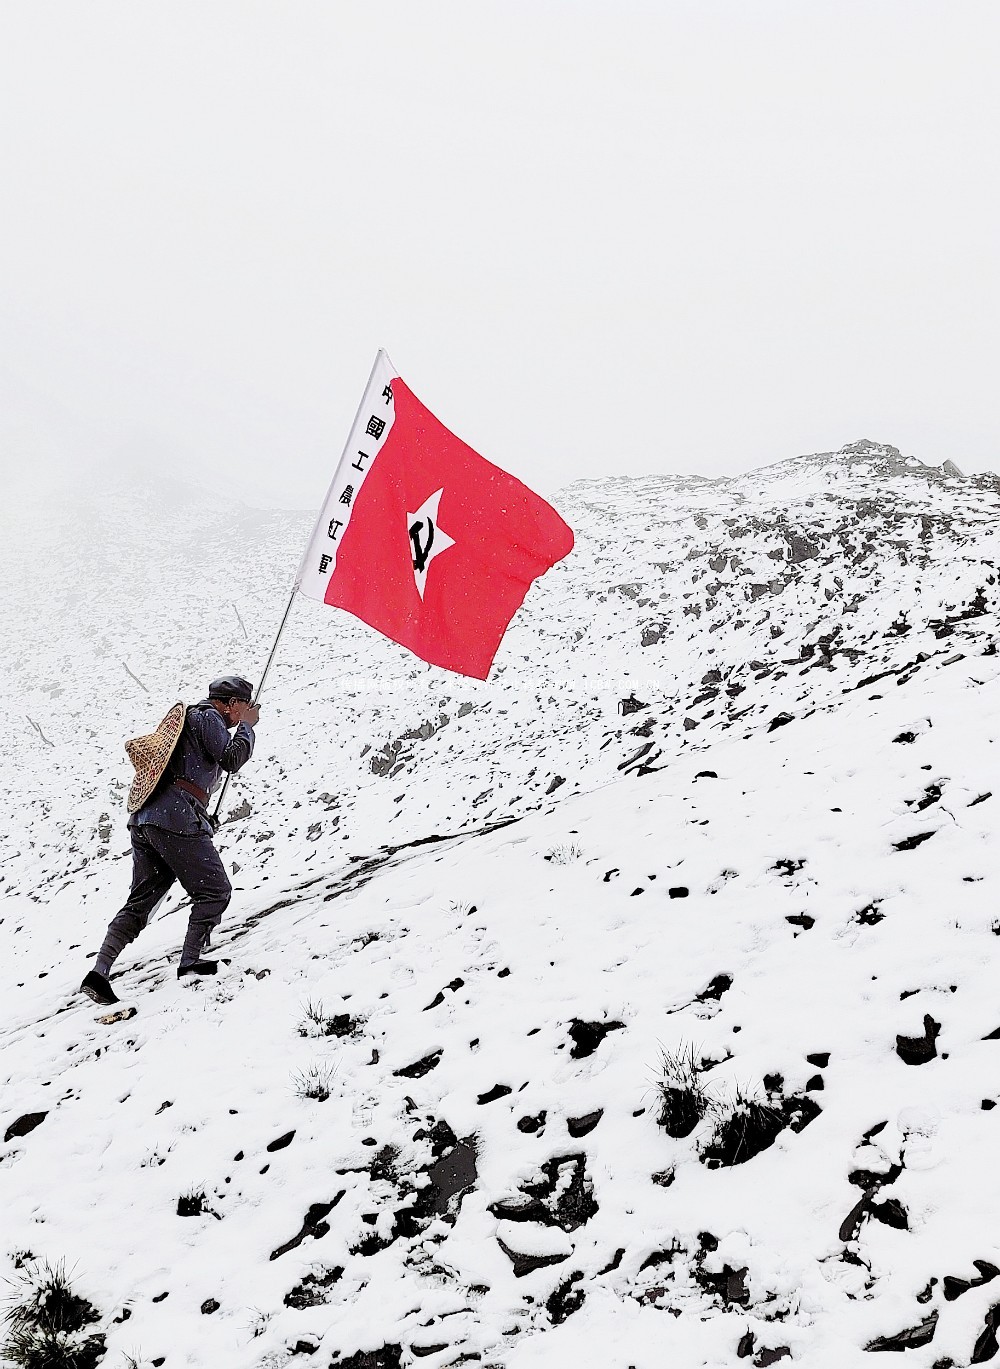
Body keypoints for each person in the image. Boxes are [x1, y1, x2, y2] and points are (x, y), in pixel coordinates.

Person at [80, 675, 259, 1005]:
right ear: (232, 704)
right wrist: (248, 727)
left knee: (142, 899)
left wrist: (202, 817)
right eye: (244, 708)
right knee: (214, 890)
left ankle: (99, 971)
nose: (244, 713)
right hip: (176, 817)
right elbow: (232, 759)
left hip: (148, 819)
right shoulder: (209, 716)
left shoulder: (192, 721)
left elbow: (185, 778)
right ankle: (190, 962)